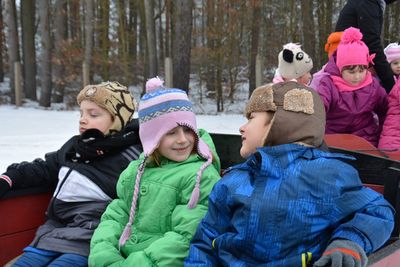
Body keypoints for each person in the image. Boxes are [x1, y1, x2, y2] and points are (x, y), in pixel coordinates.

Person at [184, 81, 394, 267]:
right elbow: (206, 239)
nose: (242, 127)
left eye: (251, 118)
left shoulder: (326, 174)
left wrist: (347, 242)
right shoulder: (235, 180)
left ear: (280, 121)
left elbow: (376, 210)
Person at [0, 81, 142, 266]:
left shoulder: (131, 155)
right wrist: (10, 178)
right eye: (81, 113)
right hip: (53, 232)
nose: (83, 119)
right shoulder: (76, 148)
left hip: (91, 236)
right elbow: (44, 168)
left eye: (93, 114)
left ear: (118, 120)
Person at [89, 77, 221, 266]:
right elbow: (116, 215)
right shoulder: (138, 169)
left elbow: (185, 236)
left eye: (188, 130)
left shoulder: (200, 177)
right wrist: (104, 254)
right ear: (152, 137)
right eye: (171, 132)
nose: (183, 139)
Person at [316, 27, 388, 147]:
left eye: (362, 70)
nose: (357, 77)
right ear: (340, 69)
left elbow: (385, 110)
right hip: (334, 139)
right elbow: (319, 106)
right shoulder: (329, 84)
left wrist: (382, 136)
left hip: (366, 139)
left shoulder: (373, 86)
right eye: (351, 72)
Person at [335, 0, 398, 93]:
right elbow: (372, 43)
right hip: (349, 65)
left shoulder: (372, 3)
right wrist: (391, 85)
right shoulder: (368, 3)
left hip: (350, 63)